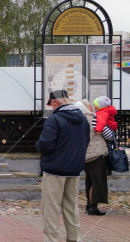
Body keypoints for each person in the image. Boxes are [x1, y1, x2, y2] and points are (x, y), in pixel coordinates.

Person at [36, 89, 90, 242]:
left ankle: (51, 239)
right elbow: (86, 142)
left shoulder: (55, 119)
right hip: (74, 169)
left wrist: (38, 145)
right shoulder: (83, 119)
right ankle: (74, 238)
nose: (51, 107)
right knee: (71, 207)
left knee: (51, 208)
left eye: (51, 104)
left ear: (56, 102)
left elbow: (46, 144)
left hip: (54, 169)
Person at [75, 99, 109, 215]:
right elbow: (107, 133)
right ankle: (93, 206)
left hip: (85, 155)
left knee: (90, 180)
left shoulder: (78, 120)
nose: (92, 109)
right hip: (96, 153)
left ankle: (90, 205)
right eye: (90, 107)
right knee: (98, 181)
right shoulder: (94, 118)